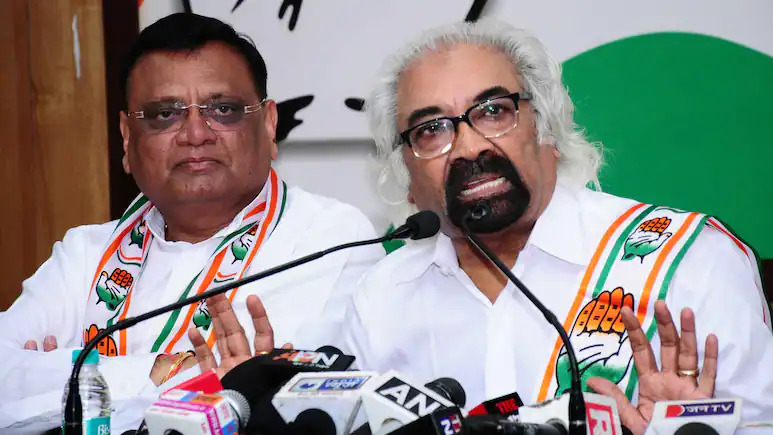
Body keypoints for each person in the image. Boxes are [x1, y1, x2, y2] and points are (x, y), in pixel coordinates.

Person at [337, 19, 773, 433]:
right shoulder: (383, 298)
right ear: (406, 176)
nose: (468, 147)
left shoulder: (689, 262)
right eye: (431, 130)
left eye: (493, 111)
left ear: (547, 130)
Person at [0, 13, 383, 432]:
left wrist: (67, 374)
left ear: (269, 124)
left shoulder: (328, 240)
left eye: (223, 109)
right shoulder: (85, 254)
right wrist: (163, 371)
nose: (196, 133)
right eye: (165, 114)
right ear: (127, 138)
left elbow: (277, 396)